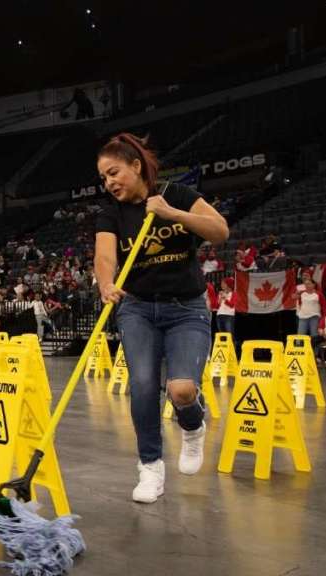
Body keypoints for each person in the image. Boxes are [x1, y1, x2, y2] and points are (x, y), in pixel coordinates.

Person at [94, 133, 229, 503]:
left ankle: (192, 424)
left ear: (136, 166)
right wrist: (106, 284)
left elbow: (220, 231)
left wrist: (171, 213)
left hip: (186, 308)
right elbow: (105, 257)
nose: (110, 182)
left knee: (181, 389)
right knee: (142, 386)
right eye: (104, 177)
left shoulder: (177, 194)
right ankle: (150, 465)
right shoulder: (112, 213)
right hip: (138, 308)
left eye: (115, 172)